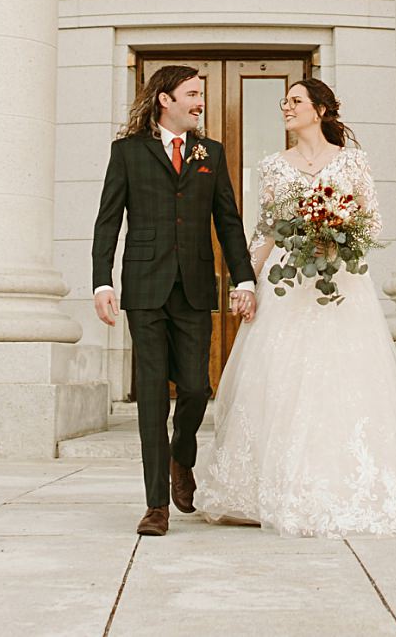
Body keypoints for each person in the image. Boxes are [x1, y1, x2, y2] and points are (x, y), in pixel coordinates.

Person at [196, 77, 396, 537]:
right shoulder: (273, 166)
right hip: (287, 284)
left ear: (320, 110)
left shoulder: (352, 161)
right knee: (282, 378)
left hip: (342, 284)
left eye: (295, 101)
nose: (286, 108)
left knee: (344, 379)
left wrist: (339, 239)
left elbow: (371, 219)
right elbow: (265, 229)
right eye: (284, 102)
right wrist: (246, 281)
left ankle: (348, 488)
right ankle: (266, 490)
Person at [92, 64, 257, 536]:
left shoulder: (210, 153)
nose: (199, 101)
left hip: (194, 286)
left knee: (194, 389)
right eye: (192, 93)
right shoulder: (127, 153)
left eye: (200, 94)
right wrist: (102, 281)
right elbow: (108, 220)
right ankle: (155, 506)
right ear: (165, 99)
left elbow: (228, 220)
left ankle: (182, 457)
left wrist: (243, 279)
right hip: (144, 287)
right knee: (150, 399)